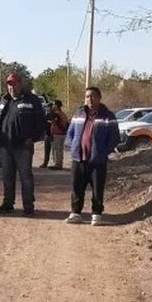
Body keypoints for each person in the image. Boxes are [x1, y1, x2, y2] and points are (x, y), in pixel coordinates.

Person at [0, 72, 46, 215]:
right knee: (7, 177)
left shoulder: (31, 100)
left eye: (14, 84)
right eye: (9, 84)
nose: (12, 87)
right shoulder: (3, 100)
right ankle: (8, 203)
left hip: (23, 146)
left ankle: (28, 206)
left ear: (21, 84)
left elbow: (40, 121)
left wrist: (32, 138)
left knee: (25, 177)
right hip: (5, 146)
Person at [65, 86, 120, 226]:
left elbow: (115, 138)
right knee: (76, 187)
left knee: (97, 189)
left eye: (93, 96)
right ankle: (75, 213)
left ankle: (96, 214)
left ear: (99, 98)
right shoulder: (78, 114)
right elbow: (70, 133)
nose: (90, 99)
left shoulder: (108, 116)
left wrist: (103, 152)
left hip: (97, 161)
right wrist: (73, 147)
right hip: (79, 159)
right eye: (87, 96)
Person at [47, 100, 70, 170]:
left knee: (57, 150)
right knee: (59, 150)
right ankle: (59, 163)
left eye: (54, 105)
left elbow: (49, 117)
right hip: (62, 133)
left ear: (56, 105)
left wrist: (50, 110)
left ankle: (58, 164)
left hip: (58, 133)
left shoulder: (57, 113)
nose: (53, 106)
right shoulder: (62, 113)